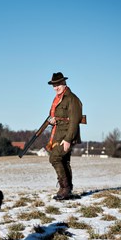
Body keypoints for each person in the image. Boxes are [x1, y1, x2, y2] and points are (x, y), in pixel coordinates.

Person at [46, 72, 83, 200]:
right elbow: (58, 116)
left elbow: (74, 120)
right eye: (54, 85)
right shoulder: (57, 99)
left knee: (54, 158)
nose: (56, 87)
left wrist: (68, 139)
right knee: (64, 161)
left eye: (58, 84)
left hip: (67, 135)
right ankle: (68, 190)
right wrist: (53, 120)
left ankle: (65, 188)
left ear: (64, 83)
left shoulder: (72, 98)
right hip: (58, 134)